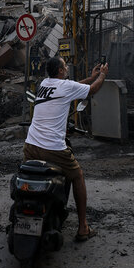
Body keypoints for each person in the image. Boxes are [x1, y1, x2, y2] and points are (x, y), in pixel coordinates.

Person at [23, 57, 108, 242]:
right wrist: (101, 76)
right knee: (77, 176)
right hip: (52, 148)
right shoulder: (65, 87)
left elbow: (73, 86)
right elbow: (91, 90)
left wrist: (90, 76)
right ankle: (83, 227)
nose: (67, 67)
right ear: (61, 71)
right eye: (65, 65)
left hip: (30, 145)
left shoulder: (44, 84)